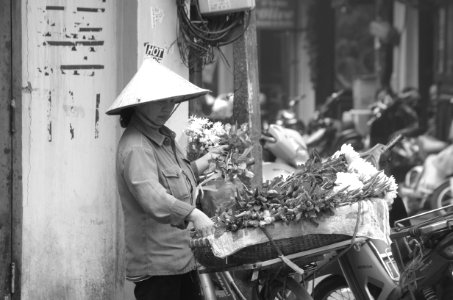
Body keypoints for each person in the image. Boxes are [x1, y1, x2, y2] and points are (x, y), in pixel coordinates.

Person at [106, 58, 226, 300]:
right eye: (160, 101)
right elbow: (154, 197)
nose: (167, 107)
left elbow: (177, 178)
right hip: (158, 267)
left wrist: (207, 160)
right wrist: (194, 214)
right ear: (140, 104)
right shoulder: (137, 146)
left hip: (183, 257)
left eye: (171, 101)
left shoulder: (163, 138)